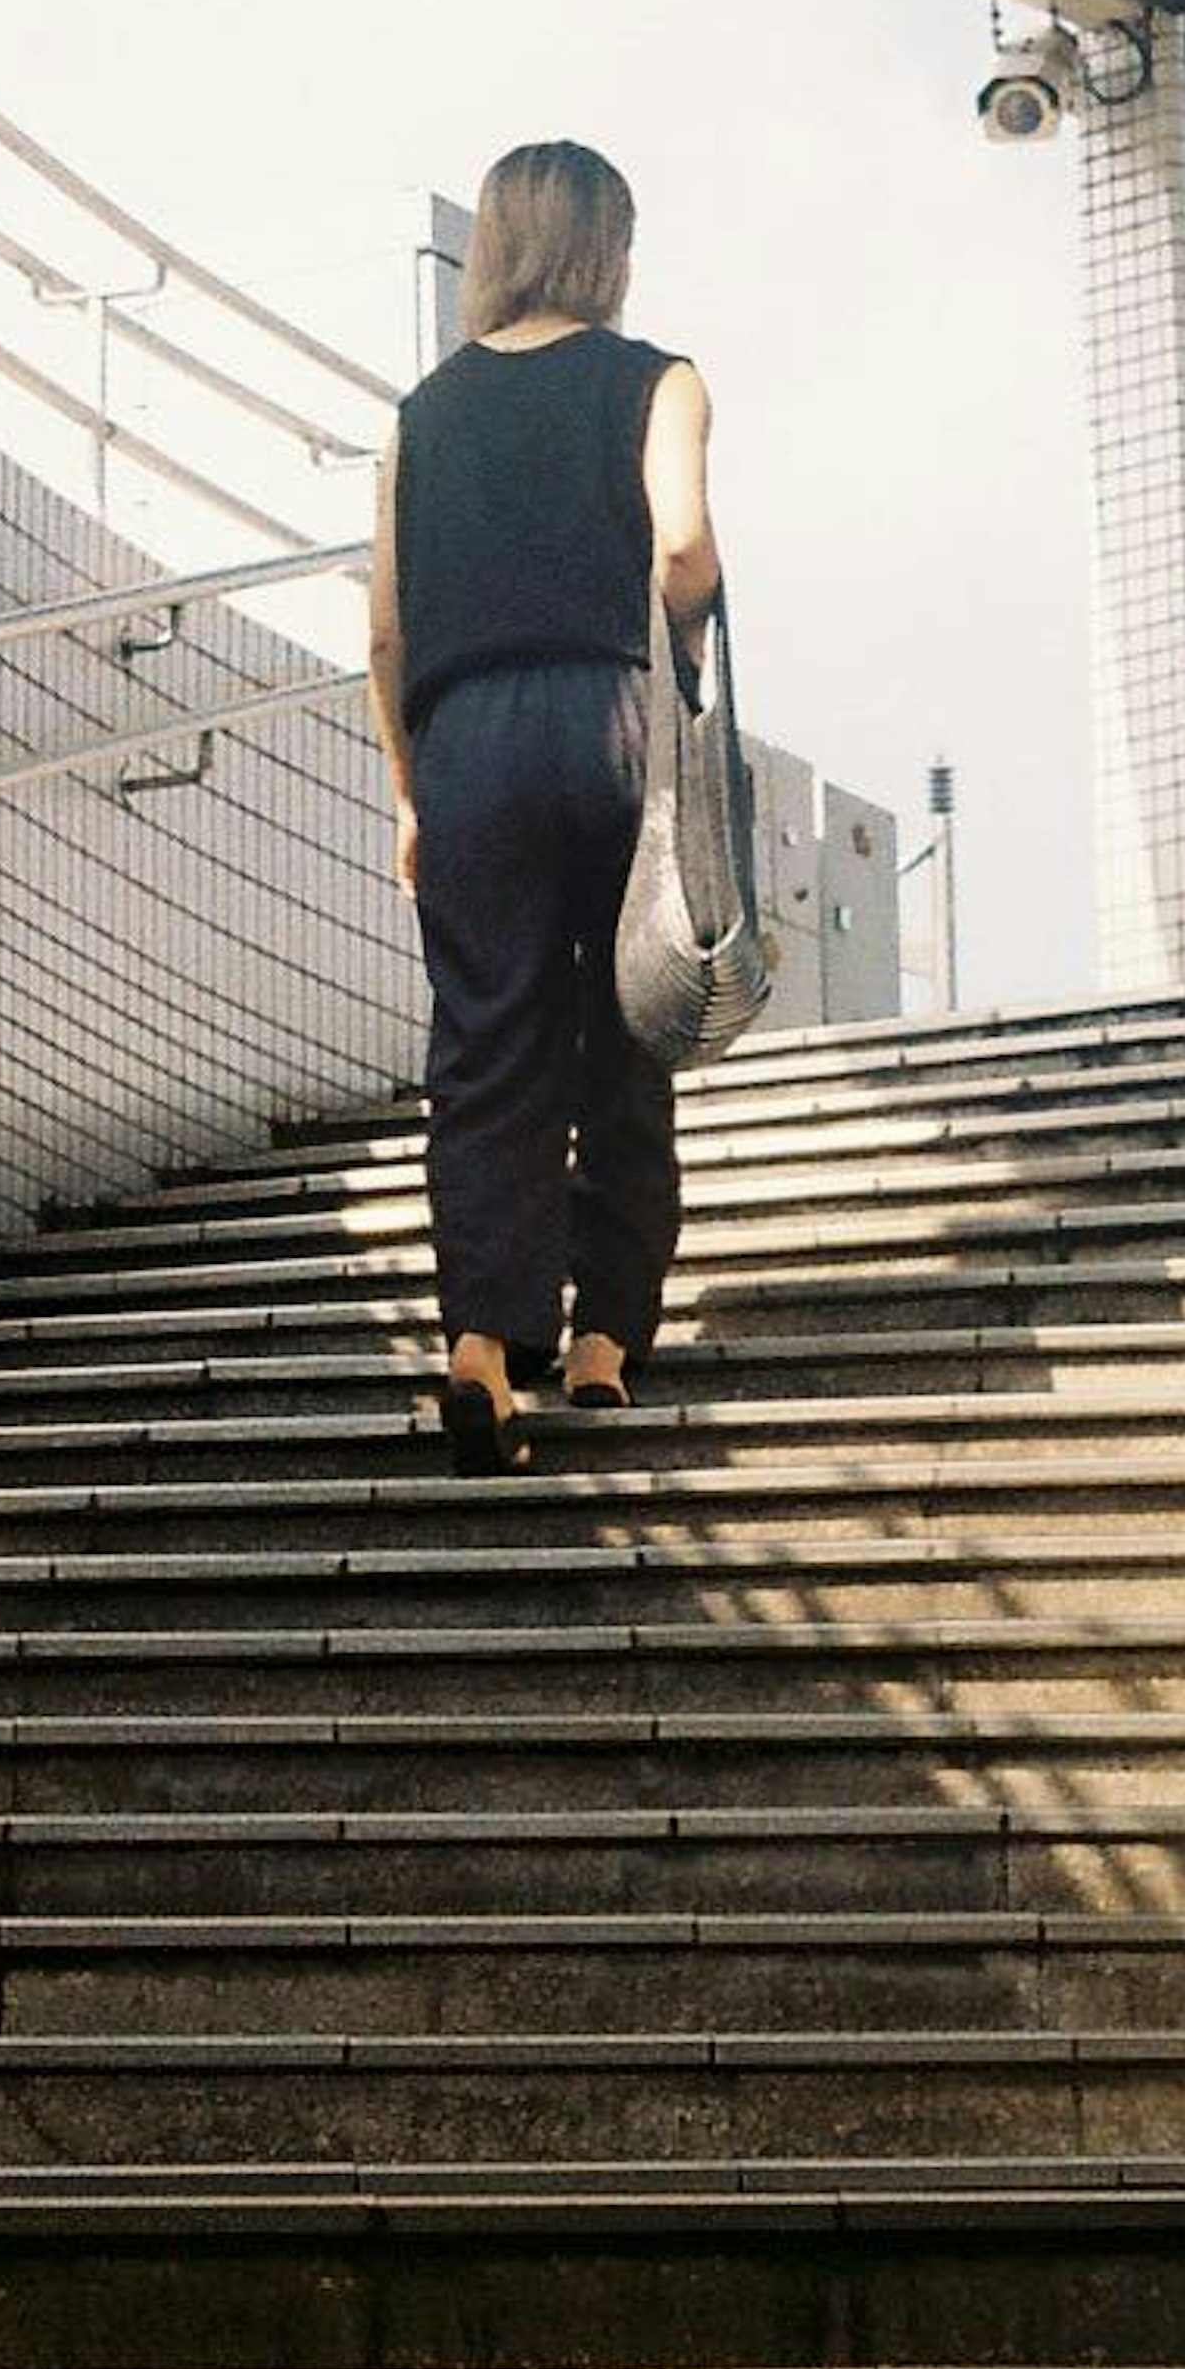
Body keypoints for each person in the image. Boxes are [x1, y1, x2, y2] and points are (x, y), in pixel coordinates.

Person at [369, 139, 721, 1474]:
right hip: (615, 717)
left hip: (464, 743)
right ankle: (604, 1343)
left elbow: (389, 632)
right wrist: (672, 626)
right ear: (609, 249)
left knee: (486, 1047)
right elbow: (682, 548)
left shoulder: (422, 415)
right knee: (627, 1015)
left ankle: (481, 1349)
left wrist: (413, 791)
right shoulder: (659, 382)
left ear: (495, 248)